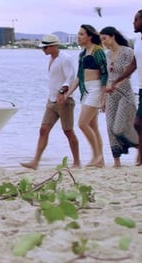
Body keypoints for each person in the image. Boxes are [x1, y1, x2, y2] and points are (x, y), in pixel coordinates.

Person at [20, 34, 80, 170]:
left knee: (68, 131)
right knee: (43, 130)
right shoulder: (52, 59)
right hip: (51, 100)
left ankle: (77, 162)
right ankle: (35, 161)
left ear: (53, 46)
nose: (43, 50)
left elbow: (71, 78)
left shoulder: (65, 58)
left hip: (65, 100)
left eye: (45, 47)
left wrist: (61, 92)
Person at [63, 24, 108, 168]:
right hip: (86, 90)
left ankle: (97, 156)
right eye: (78, 34)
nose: (79, 37)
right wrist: (68, 94)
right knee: (93, 125)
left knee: (82, 124)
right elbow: (79, 77)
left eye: (82, 34)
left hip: (96, 88)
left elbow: (105, 74)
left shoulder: (98, 51)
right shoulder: (82, 54)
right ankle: (99, 159)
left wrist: (103, 97)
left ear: (89, 36)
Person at [100, 26, 139, 167]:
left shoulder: (127, 52)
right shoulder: (107, 55)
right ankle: (117, 162)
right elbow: (106, 77)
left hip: (125, 93)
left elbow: (130, 72)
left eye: (105, 38)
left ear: (112, 36)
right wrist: (103, 99)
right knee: (110, 127)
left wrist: (117, 83)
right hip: (110, 94)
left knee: (119, 128)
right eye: (101, 39)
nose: (103, 42)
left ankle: (138, 146)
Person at [111, 10, 142, 165]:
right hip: (141, 89)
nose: (133, 23)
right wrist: (118, 79)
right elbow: (134, 64)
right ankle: (140, 160)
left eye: (136, 19)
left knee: (137, 123)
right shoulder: (137, 40)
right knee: (138, 124)